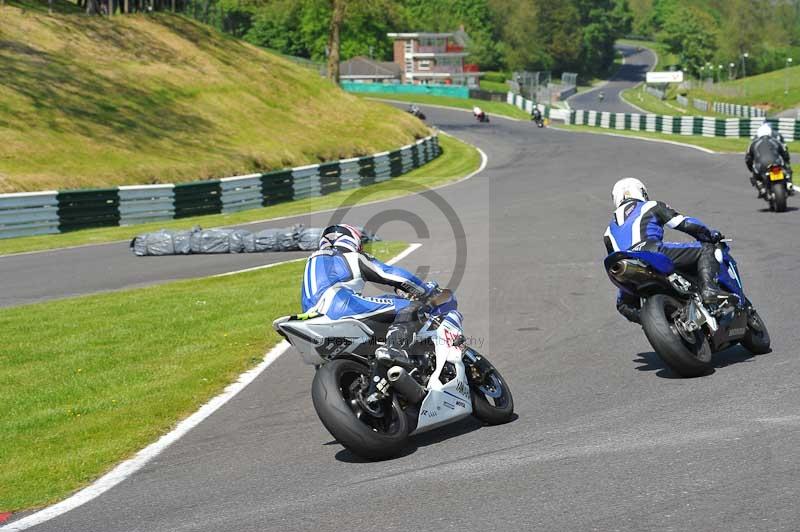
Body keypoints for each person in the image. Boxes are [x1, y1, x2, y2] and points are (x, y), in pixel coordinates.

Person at [300, 224, 436, 362]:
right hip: (341, 307)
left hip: (312, 317)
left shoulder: (311, 261)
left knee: (386, 299)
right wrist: (425, 290)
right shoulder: (352, 257)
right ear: (353, 241)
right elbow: (395, 275)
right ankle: (395, 349)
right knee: (409, 306)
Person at [603, 178, 726, 324]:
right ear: (642, 192)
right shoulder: (651, 205)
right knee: (706, 249)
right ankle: (709, 290)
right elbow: (683, 223)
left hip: (625, 267)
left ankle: (660, 324)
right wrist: (709, 234)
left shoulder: (608, 232)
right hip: (652, 251)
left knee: (623, 305)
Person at [746, 123, 794, 197]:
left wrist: (750, 168)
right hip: (776, 162)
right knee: (787, 169)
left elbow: (748, 159)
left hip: (762, 164)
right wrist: (786, 161)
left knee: (755, 175)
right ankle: (789, 183)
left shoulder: (753, 143)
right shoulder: (776, 141)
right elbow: (785, 153)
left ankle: (762, 189)